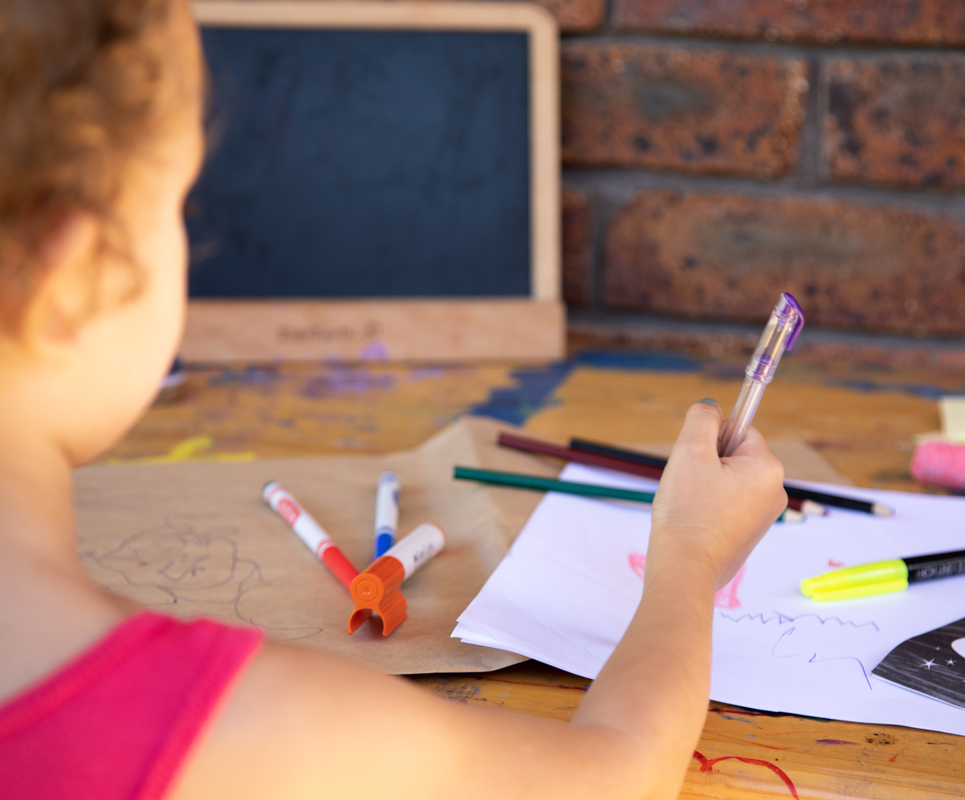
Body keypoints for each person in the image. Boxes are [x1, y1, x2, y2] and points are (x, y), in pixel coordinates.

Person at [0, 1, 787, 797]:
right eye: (179, 204)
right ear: (71, 281)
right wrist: (689, 552)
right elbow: (619, 774)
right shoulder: (216, 728)